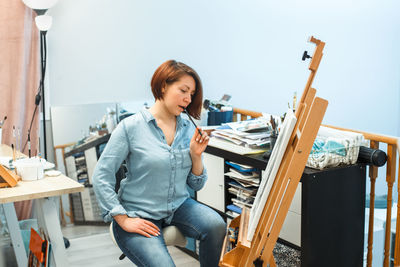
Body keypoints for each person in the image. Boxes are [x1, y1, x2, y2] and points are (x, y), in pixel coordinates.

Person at [92, 60, 226, 267]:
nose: (188, 98)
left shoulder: (188, 128)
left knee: (216, 225)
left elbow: (197, 185)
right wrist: (122, 218)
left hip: (178, 205)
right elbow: (101, 176)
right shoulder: (131, 127)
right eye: (183, 90)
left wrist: (196, 156)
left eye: (191, 94)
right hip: (138, 211)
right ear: (163, 86)